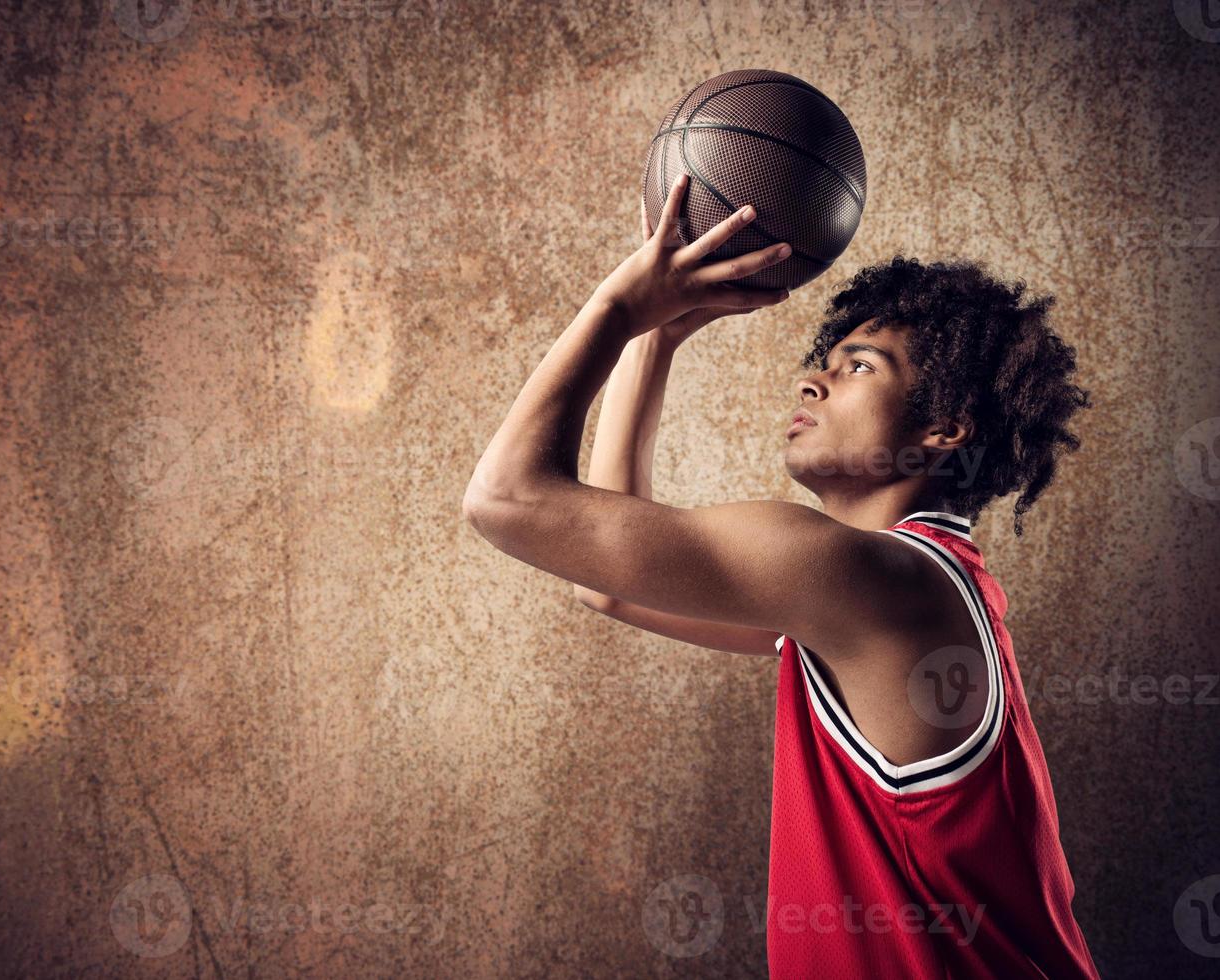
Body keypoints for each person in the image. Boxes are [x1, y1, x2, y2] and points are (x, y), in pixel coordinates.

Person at [462, 172, 1099, 978]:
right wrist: (656, 336)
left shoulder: (870, 581)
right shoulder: (886, 596)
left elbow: (506, 500)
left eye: (858, 367)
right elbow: (611, 585)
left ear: (945, 429)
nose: (811, 379)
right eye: (823, 362)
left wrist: (619, 307)